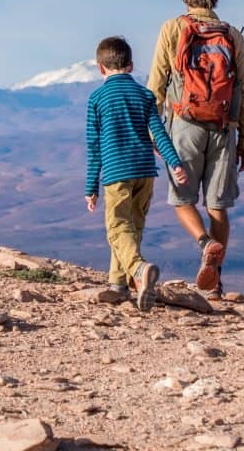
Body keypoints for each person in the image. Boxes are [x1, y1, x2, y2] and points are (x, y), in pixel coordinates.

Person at [146, 0, 244, 300]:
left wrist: (152, 131)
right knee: (218, 206)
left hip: (184, 125)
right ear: (216, 0)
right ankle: (216, 282)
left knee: (182, 200)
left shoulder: (172, 29)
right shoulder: (232, 35)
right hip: (224, 128)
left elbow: (156, 86)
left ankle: (206, 244)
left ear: (185, 0)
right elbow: (242, 91)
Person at [85, 36, 188, 312]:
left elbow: (94, 147)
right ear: (130, 66)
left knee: (118, 227)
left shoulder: (96, 99)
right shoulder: (145, 95)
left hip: (117, 172)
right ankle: (118, 284)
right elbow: (160, 133)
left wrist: (90, 187)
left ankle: (139, 271)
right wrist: (174, 162)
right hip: (145, 171)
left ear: (100, 68)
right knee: (133, 227)